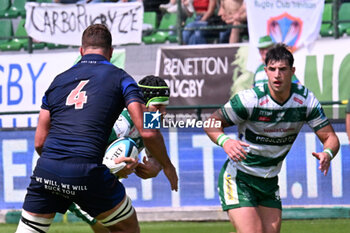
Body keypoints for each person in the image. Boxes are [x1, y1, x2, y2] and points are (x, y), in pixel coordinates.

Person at [15, 24, 178, 233]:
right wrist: (167, 167)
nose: (162, 112)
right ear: (110, 52)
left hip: (46, 170)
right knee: (125, 227)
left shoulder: (58, 81)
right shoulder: (121, 79)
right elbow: (147, 132)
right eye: (159, 106)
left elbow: (39, 142)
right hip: (85, 172)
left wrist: (151, 166)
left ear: (81, 51)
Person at [204, 43, 340, 233]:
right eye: (272, 69)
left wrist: (327, 153)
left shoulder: (306, 101)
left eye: (283, 69)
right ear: (266, 70)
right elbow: (211, 122)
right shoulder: (250, 99)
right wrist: (224, 141)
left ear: (292, 71)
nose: (277, 75)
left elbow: (331, 137)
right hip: (239, 178)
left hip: (268, 181)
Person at [68, 75, 170, 233]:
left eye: (165, 107)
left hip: (100, 182)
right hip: (78, 180)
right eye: (158, 107)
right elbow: (79, 154)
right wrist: (111, 167)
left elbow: (155, 156)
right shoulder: (120, 123)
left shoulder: (151, 122)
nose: (163, 113)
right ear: (143, 104)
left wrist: (155, 168)